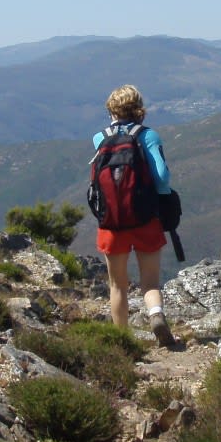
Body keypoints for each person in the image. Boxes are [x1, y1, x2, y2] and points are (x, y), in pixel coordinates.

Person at [92, 85, 178, 347]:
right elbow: (162, 178)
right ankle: (156, 315)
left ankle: (122, 341)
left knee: (117, 285)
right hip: (145, 218)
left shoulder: (99, 138)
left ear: (112, 110)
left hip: (112, 222)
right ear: (139, 109)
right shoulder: (149, 136)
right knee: (150, 280)